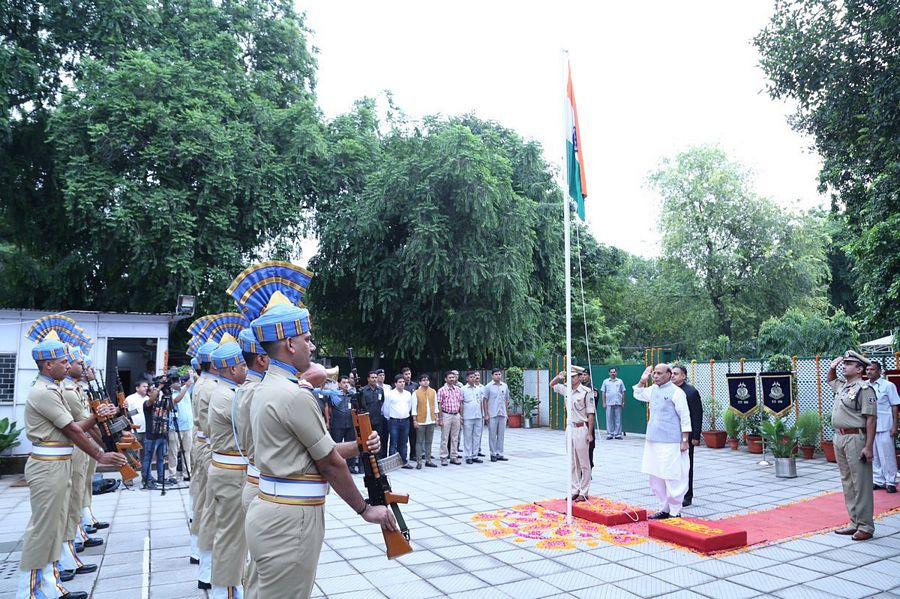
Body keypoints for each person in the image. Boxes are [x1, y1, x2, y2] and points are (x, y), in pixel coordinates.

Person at [242, 289, 396, 599]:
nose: (311, 347)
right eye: (307, 340)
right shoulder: (296, 395)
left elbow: (309, 452)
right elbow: (329, 462)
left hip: (270, 512)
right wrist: (365, 509)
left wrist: (359, 445)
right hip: (290, 520)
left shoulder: (263, 388)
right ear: (290, 343)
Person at [15, 335, 124, 599]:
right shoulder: (44, 392)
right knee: (43, 530)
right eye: (63, 361)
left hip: (59, 462)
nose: (68, 365)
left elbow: (76, 427)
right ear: (48, 365)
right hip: (48, 466)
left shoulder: (54, 389)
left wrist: (98, 417)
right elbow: (73, 430)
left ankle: (50, 588)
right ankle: (27, 592)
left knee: (57, 526)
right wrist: (100, 454)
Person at [206, 334, 249, 599]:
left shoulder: (226, 391)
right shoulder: (226, 396)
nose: (247, 370)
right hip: (231, 472)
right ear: (233, 369)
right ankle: (227, 591)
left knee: (233, 533)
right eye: (244, 366)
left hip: (231, 470)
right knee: (231, 536)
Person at [827, 351, 878, 541]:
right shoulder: (843, 386)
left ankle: (865, 526)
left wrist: (869, 446)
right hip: (840, 437)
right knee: (847, 482)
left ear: (859, 369)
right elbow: (830, 379)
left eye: (849, 363)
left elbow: (871, 419)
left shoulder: (864, 389)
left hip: (856, 438)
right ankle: (854, 522)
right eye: (844, 363)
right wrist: (833, 366)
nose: (844, 366)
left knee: (861, 482)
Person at [234, 327, 269, 599]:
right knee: (266, 574)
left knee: (260, 570)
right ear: (261, 358)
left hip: (255, 481)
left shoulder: (250, 389)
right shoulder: (258, 391)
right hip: (263, 486)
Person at [633, 364, 691, 519]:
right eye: (654, 373)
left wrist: (685, 440)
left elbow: (685, 417)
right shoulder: (652, 390)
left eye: (659, 373)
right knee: (655, 476)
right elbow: (637, 394)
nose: (655, 376)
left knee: (672, 476)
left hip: (671, 441)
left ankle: (675, 511)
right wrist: (642, 380)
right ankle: (664, 508)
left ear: (669, 374)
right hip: (653, 440)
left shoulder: (677, 392)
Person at [190, 337, 220, 588]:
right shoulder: (212, 387)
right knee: (213, 510)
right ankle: (208, 570)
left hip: (203, 445)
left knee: (203, 504)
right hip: (212, 448)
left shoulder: (203, 383)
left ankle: (202, 560)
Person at [550, 367, 594, 501]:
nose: (571, 379)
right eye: (569, 377)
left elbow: (590, 414)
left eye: (574, 376)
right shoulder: (566, 390)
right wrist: (559, 377)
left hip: (582, 428)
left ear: (580, 377)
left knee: (584, 462)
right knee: (572, 462)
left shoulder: (587, 392)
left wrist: (590, 433)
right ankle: (575, 489)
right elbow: (552, 385)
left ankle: (584, 491)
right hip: (570, 428)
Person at [672, 365, 702, 507]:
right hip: (671, 435)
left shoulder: (691, 392)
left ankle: (687, 495)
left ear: (683, 376)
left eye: (676, 374)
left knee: (686, 466)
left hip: (686, 435)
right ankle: (673, 492)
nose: (672, 376)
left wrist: (695, 436)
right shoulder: (669, 390)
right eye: (671, 373)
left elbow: (697, 415)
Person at [867, 360, 899, 493]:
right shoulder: (864, 386)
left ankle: (890, 481)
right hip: (870, 425)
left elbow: (895, 405)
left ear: (879, 371)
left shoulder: (888, 385)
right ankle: (878, 480)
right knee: (874, 454)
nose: (869, 372)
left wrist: (895, 426)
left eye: (872, 369)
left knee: (887, 454)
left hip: (885, 424)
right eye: (867, 369)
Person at [328, 375, 360, 473]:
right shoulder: (333, 394)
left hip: (350, 423)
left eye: (347, 383)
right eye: (344, 382)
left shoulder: (352, 394)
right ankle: (335, 465)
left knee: (351, 445)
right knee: (336, 445)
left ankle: (351, 466)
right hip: (337, 423)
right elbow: (328, 408)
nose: (346, 384)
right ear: (338, 384)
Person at [167, 373, 195, 483]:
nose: (176, 383)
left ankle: (187, 473)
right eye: (174, 381)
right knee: (173, 452)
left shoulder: (186, 388)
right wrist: (186, 387)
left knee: (187, 451)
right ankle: (172, 475)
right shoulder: (170, 393)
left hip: (188, 426)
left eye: (177, 380)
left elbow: (195, 381)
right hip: (175, 427)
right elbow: (176, 400)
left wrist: (191, 375)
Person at [141, 383, 169, 490]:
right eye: (153, 390)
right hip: (151, 436)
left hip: (162, 434)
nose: (156, 392)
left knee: (161, 458)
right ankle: (148, 479)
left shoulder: (161, 403)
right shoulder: (147, 403)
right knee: (148, 458)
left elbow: (170, 406)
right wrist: (159, 387)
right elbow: (151, 400)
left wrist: (167, 393)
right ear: (148, 393)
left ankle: (161, 478)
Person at [384, 374, 415, 468]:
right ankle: (392, 463)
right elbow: (386, 408)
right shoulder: (390, 394)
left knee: (404, 442)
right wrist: (389, 418)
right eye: (400, 382)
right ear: (395, 383)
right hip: (394, 421)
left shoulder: (408, 394)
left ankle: (403, 461)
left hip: (405, 421)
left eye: (403, 382)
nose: (402, 384)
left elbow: (409, 407)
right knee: (393, 442)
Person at [482, 369, 510, 462]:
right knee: (492, 435)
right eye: (496, 374)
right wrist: (486, 414)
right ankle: (493, 454)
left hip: (502, 413)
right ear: (492, 376)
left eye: (499, 374)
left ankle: (500, 453)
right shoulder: (488, 387)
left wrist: (506, 412)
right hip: (492, 414)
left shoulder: (504, 386)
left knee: (501, 435)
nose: (498, 376)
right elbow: (485, 401)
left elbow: (506, 400)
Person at [412, 374, 438, 469]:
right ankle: (419, 462)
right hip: (420, 420)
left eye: (427, 380)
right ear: (420, 382)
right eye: (423, 380)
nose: (425, 382)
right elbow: (414, 408)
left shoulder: (433, 392)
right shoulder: (416, 393)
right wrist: (415, 420)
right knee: (419, 441)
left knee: (429, 441)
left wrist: (436, 417)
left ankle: (428, 460)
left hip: (430, 420)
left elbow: (435, 406)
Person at [437, 371, 463, 466]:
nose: (452, 379)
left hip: (456, 415)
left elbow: (460, 403)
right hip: (446, 415)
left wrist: (461, 416)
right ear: (445, 379)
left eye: (453, 377)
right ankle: (443, 457)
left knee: (455, 437)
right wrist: (440, 418)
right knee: (444, 437)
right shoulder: (441, 390)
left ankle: (454, 456)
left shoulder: (458, 389)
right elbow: (439, 405)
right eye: (450, 377)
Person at [362, 370, 388, 459]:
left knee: (378, 442)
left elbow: (382, 401)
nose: (374, 379)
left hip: (378, 420)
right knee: (367, 443)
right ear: (368, 379)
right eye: (372, 377)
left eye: (375, 377)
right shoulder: (363, 391)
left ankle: (378, 464)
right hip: (366, 420)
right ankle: (365, 465)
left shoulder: (380, 390)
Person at [461, 371, 485, 464]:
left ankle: (475, 455)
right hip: (468, 416)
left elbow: (481, 402)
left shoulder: (479, 389)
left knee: (477, 436)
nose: (473, 378)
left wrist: (483, 414)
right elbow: (461, 403)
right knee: (467, 436)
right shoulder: (463, 389)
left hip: (478, 415)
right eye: (471, 377)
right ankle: (468, 456)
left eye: (474, 377)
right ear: (467, 378)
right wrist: (462, 416)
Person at [601, 368, 626, 440]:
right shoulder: (605, 381)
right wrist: (604, 402)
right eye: (611, 372)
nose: (613, 373)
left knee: (618, 418)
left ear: (616, 373)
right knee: (609, 419)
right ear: (609, 373)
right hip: (609, 402)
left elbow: (623, 391)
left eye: (614, 372)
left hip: (618, 402)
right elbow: (603, 392)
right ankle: (610, 434)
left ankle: (618, 434)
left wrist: (623, 402)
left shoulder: (620, 381)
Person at [125, 379, 150, 446]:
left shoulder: (148, 399)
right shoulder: (130, 398)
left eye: (147, 387)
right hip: (134, 430)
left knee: (145, 451)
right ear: (137, 388)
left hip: (146, 430)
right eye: (144, 386)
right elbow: (125, 414)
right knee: (134, 450)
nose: (146, 388)